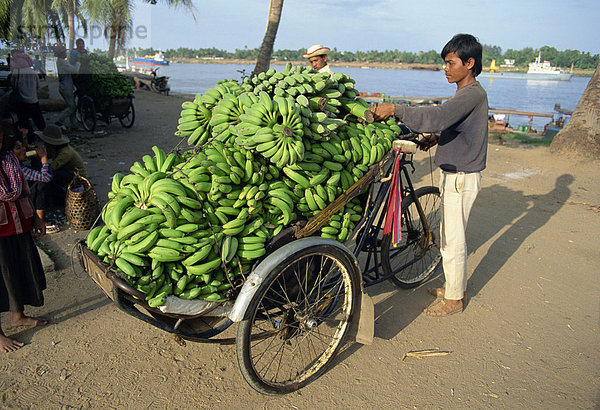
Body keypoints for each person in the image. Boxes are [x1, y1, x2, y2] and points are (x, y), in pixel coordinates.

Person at [371, 33, 488, 317]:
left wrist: (396, 109)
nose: (445, 69)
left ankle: (454, 298)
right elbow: (455, 126)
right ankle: (452, 286)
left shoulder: (472, 93)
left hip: (461, 176)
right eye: (444, 64)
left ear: (469, 63)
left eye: (451, 63)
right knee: (448, 235)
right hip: (455, 172)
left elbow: (440, 116)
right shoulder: (466, 94)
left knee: (454, 238)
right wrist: (437, 139)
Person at [0, 125, 48, 353]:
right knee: (1, 280)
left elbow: (25, 190)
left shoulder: (9, 159)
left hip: (19, 225)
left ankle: (17, 316)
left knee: (20, 272)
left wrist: (37, 220)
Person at [11, 134, 58, 233]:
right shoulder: (18, 169)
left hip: (24, 199)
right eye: (19, 148)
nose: (24, 149)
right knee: (42, 184)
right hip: (21, 203)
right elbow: (46, 178)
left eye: (23, 147)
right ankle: (41, 221)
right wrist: (44, 157)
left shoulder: (19, 164)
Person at [35, 125, 87, 198]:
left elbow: (52, 167)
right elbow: (47, 155)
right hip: (67, 173)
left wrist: (42, 157)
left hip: (78, 178)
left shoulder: (65, 152)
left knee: (52, 173)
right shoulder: (53, 148)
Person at [9, 49, 46, 131]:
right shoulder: (33, 73)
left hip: (22, 102)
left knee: (24, 123)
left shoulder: (16, 73)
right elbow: (38, 86)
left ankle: (28, 138)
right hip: (33, 100)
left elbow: (13, 86)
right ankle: (44, 136)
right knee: (39, 122)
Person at [53, 45, 81, 131]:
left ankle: (74, 125)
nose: (65, 54)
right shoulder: (62, 62)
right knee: (72, 107)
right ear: (61, 54)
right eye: (64, 52)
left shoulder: (61, 62)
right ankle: (59, 120)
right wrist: (78, 62)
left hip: (65, 87)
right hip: (66, 88)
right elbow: (75, 70)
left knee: (71, 105)